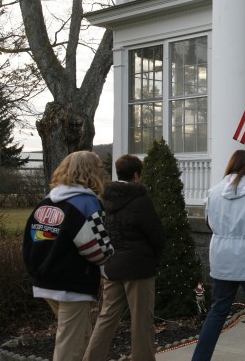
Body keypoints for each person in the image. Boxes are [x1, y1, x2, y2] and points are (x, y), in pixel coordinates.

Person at [22, 151, 114, 361]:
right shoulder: (87, 204)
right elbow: (98, 249)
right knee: (69, 345)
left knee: (81, 336)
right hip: (72, 283)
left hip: (44, 279)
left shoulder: (46, 202)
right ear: (92, 172)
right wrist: (109, 254)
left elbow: (30, 241)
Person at [192, 150, 245, 361]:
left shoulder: (214, 192)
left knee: (218, 310)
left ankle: (200, 358)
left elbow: (209, 222)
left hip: (222, 255)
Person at [83, 154, 165, 361]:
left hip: (112, 265)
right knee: (141, 321)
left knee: (106, 317)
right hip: (139, 268)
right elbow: (157, 235)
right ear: (137, 175)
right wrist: (153, 259)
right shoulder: (141, 201)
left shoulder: (103, 200)